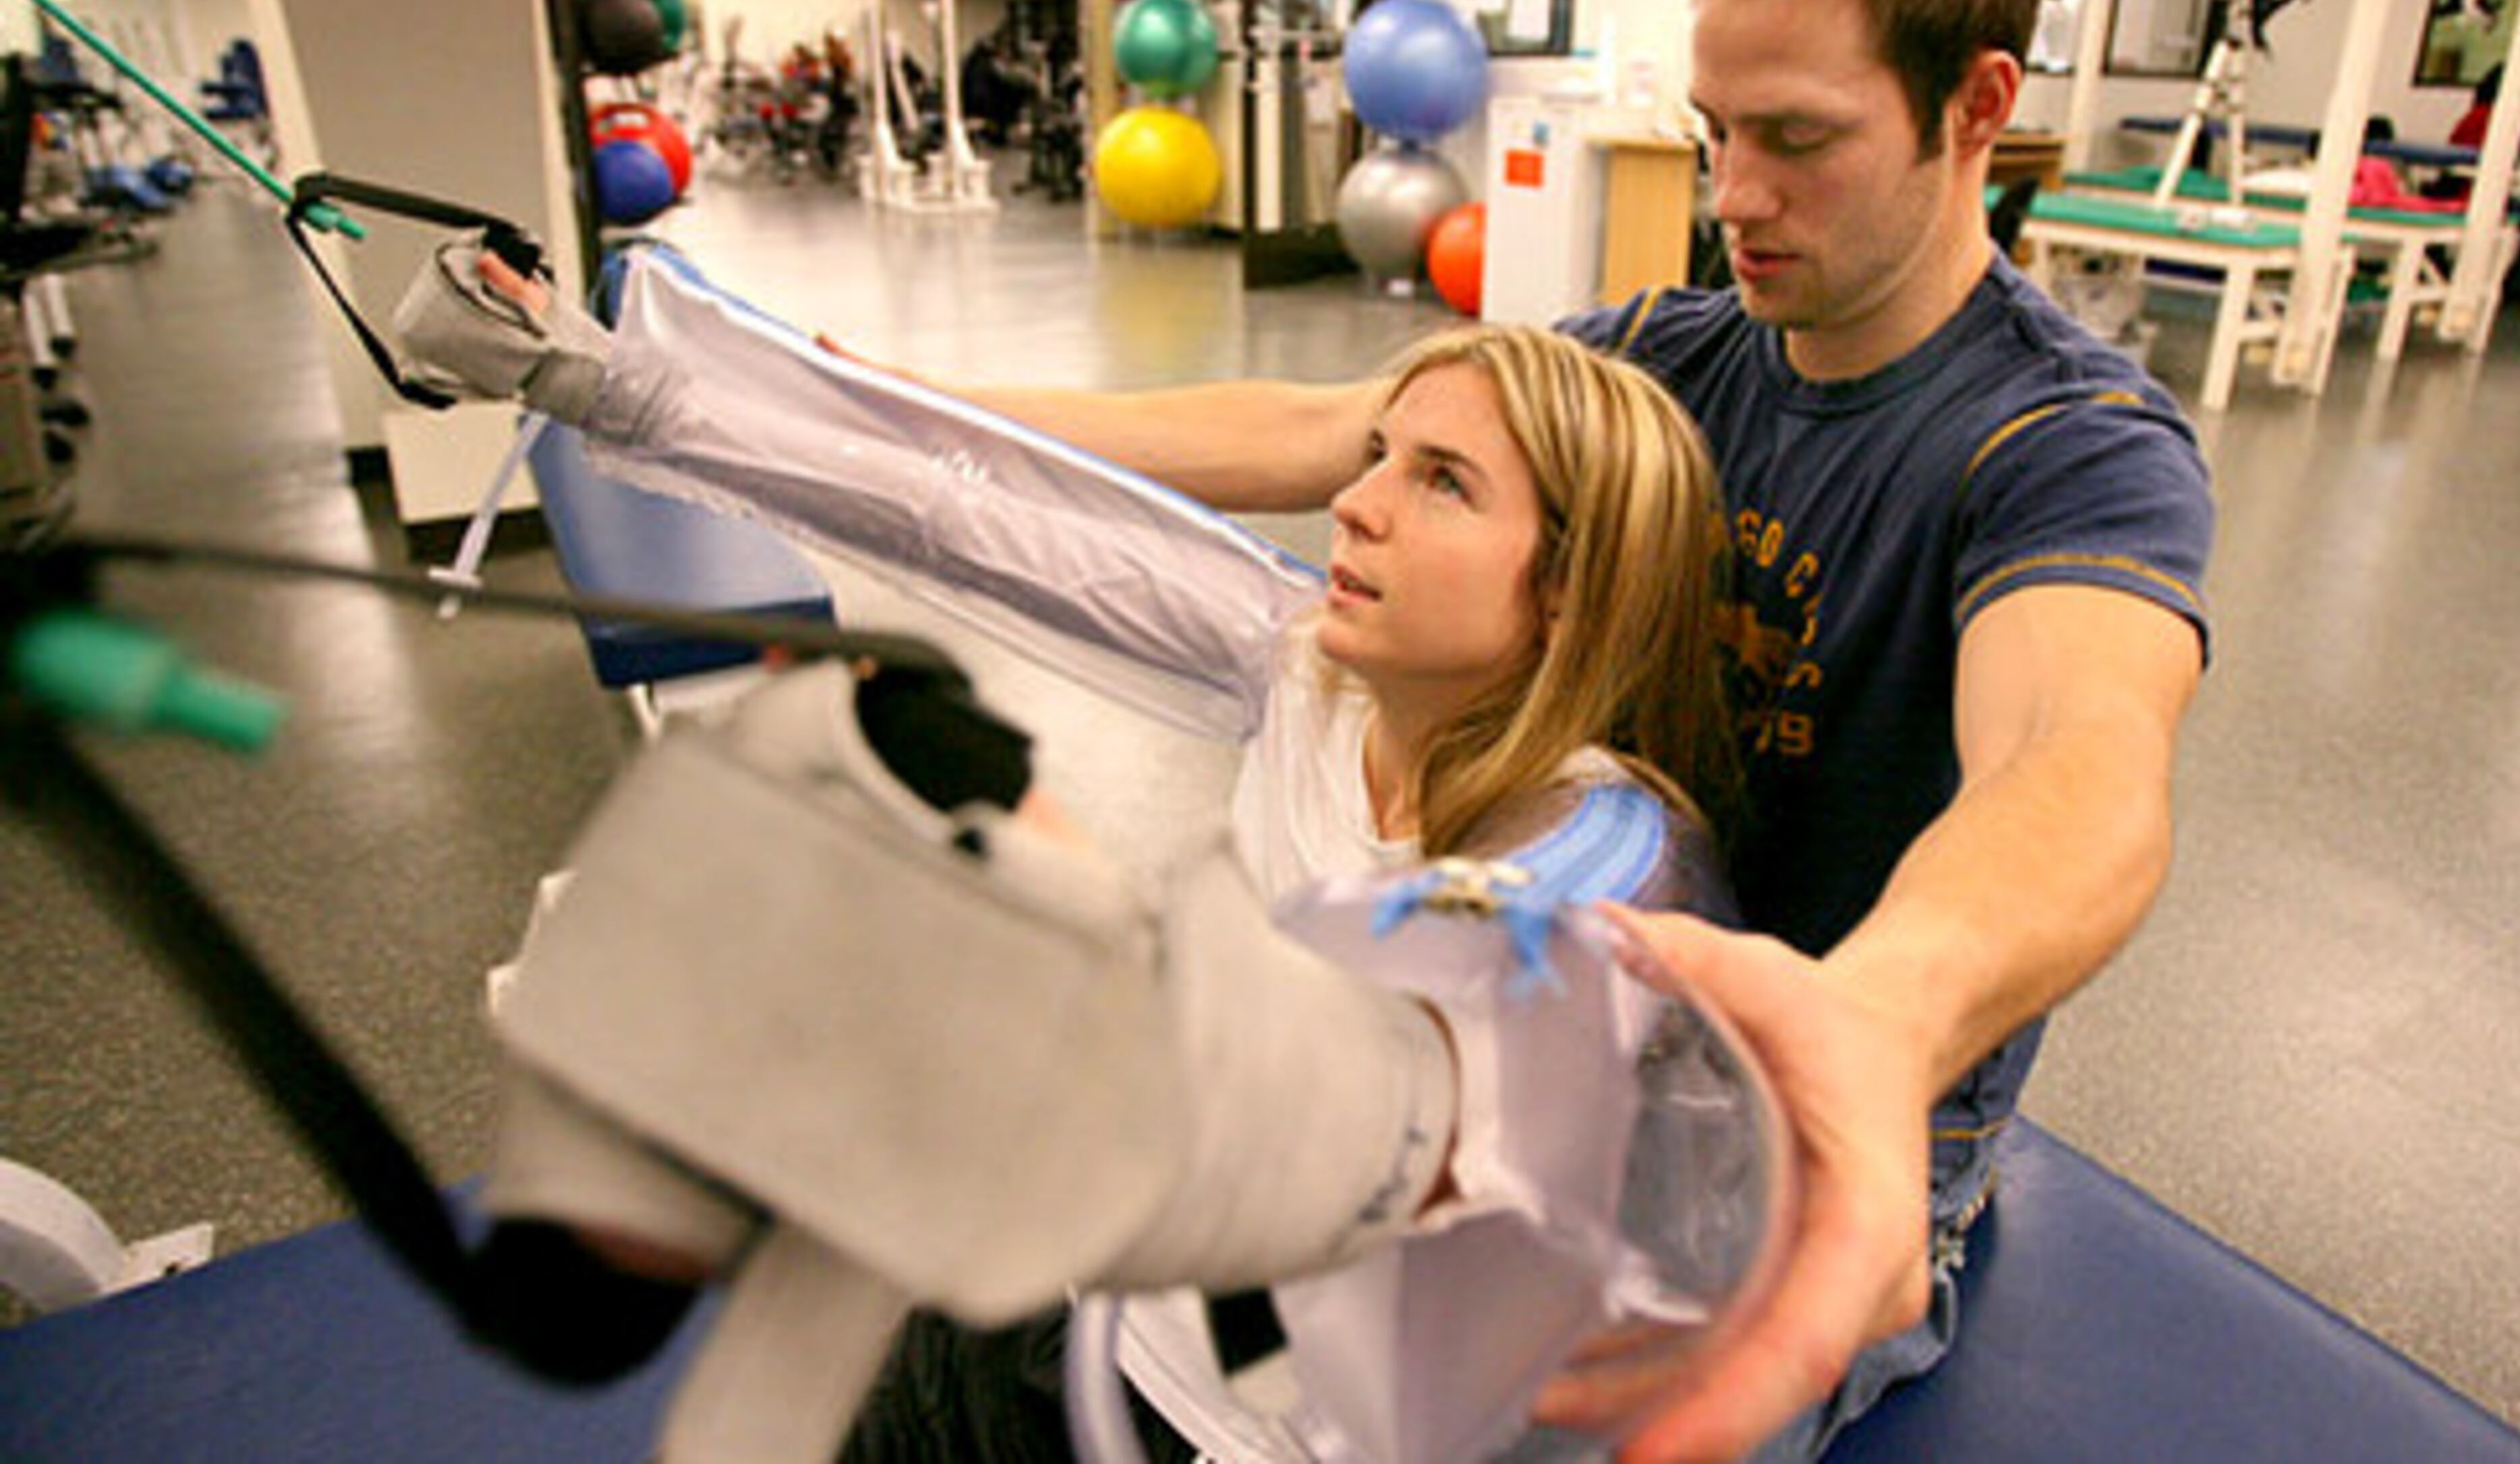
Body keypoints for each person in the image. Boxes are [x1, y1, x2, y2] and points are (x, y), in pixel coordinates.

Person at [886, 0, 2215, 1461]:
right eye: (1715, 130)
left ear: (1979, 106)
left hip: (1802, 1120)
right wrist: (909, 407)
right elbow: (1312, 423)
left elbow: (2079, 762)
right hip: (1566, 1020)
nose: (1733, 195)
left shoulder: (2068, 445)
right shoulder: (1663, 351)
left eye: (1798, 138)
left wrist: (1882, 1016)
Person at [391, 240, 1787, 1462]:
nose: (1357, 504)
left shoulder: (1609, 867)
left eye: (1442, 484)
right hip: (1115, 1331)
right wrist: (597, 376)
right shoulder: (1309, 663)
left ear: (1569, 589)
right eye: (1379, 455)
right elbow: (967, 514)